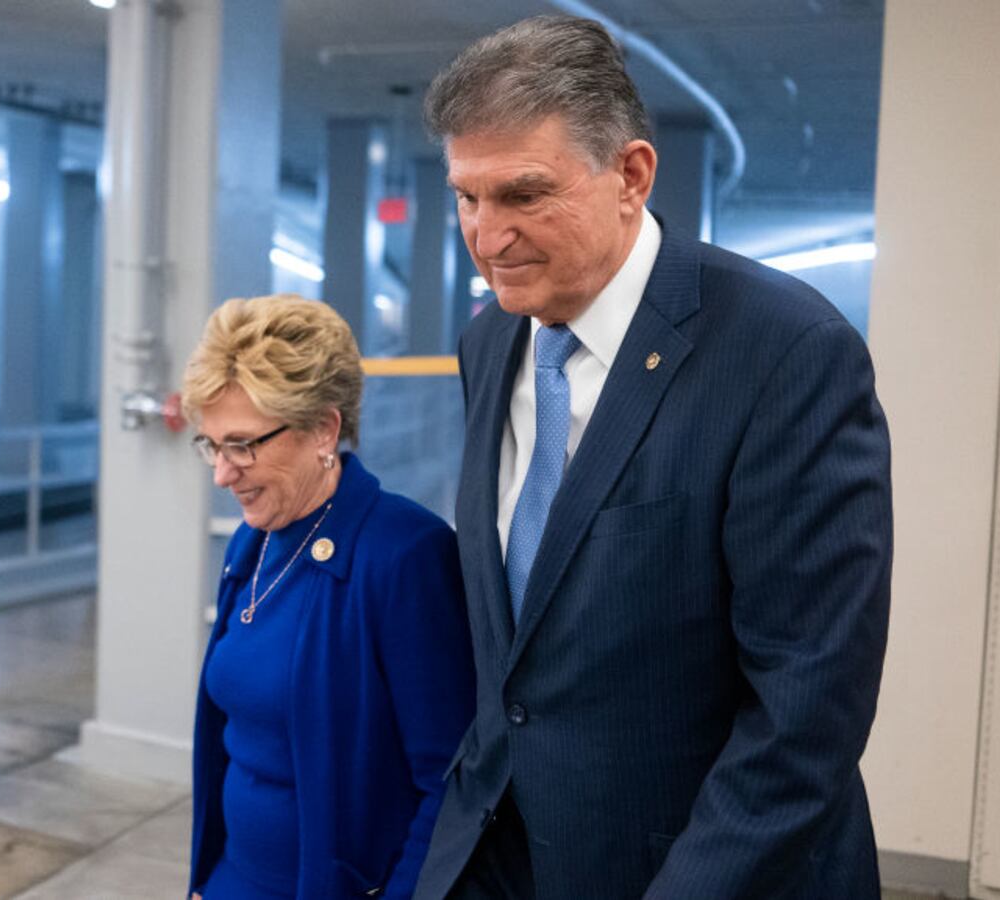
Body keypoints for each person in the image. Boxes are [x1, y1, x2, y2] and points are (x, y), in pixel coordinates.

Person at [412, 15, 892, 900]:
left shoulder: (784, 353)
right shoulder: (490, 346)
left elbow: (806, 710)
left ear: (630, 175)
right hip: (504, 855)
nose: (486, 235)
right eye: (466, 197)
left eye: (523, 194)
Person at [182, 294, 477, 899]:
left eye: (243, 444)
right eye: (211, 445)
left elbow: (450, 780)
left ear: (323, 428)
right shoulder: (253, 541)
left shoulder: (403, 556)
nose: (222, 472)